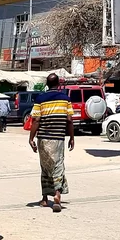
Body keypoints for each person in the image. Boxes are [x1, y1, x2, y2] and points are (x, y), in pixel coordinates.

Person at [28, 74, 74, 213]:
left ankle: (44, 198)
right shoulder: (66, 99)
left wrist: (31, 138)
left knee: (45, 167)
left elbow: (35, 120)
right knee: (58, 165)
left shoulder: (40, 99)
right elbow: (70, 120)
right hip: (58, 138)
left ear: (46, 84)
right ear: (58, 84)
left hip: (43, 138)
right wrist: (72, 137)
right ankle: (57, 194)